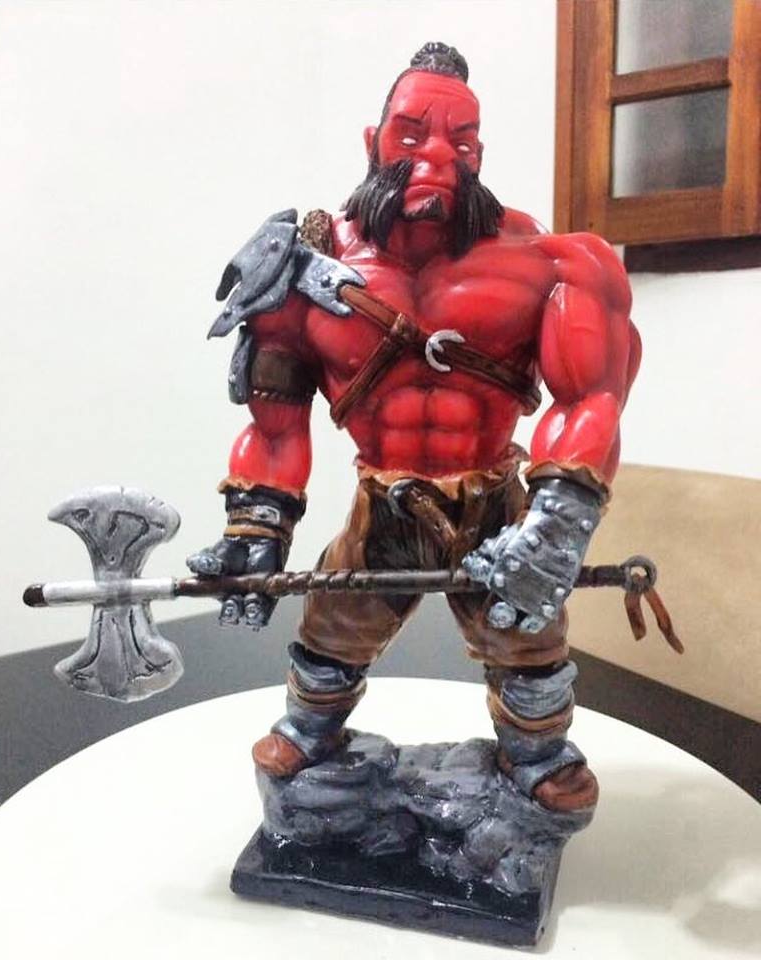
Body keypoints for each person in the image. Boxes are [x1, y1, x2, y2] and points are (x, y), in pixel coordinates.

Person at [188, 42, 640, 813]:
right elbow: (275, 424)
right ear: (374, 141)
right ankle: (310, 730)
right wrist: (256, 529)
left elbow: (590, 397)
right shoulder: (306, 266)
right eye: (411, 134)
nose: (435, 158)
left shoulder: (548, 263)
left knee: (527, 640)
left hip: (494, 503)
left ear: (479, 155)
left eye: (460, 142)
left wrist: (556, 529)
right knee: (334, 627)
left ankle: (538, 755)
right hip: (385, 503)